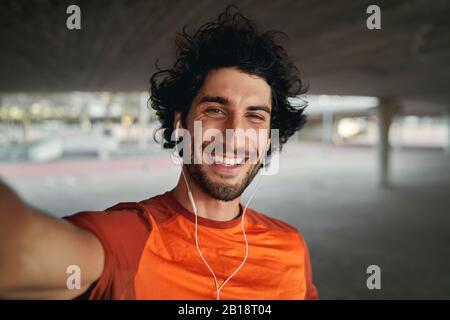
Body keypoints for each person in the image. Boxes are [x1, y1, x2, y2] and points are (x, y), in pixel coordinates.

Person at [0, 6, 318, 300]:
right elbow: (22, 249)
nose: (234, 136)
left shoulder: (291, 246)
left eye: (255, 116)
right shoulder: (130, 240)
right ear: (180, 124)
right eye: (215, 109)